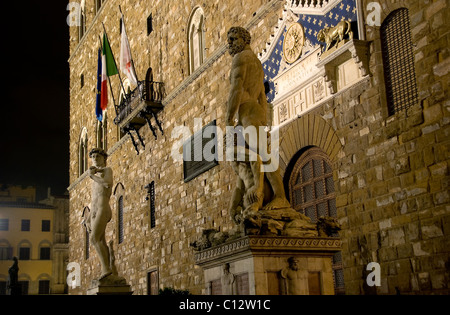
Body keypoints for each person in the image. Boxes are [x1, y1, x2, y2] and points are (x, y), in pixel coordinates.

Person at [226, 26, 291, 223]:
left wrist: (229, 118)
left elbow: (236, 90)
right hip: (256, 111)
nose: (229, 42)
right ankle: (272, 196)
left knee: (261, 154)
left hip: (246, 110)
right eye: (228, 39)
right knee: (261, 153)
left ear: (244, 39)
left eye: (233, 38)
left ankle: (279, 196)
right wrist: (264, 119)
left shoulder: (240, 59)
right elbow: (262, 95)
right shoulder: (256, 62)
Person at [88, 148, 113, 280]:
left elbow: (108, 184)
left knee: (94, 239)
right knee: (101, 241)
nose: (95, 159)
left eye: (98, 156)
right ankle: (108, 269)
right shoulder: (96, 179)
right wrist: (88, 218)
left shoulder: (107, 170)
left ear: (104, 158)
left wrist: (93, 176)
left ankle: (106, 269)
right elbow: (94, 199)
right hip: (95, 210)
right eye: (93, 157)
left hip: (103, 208)